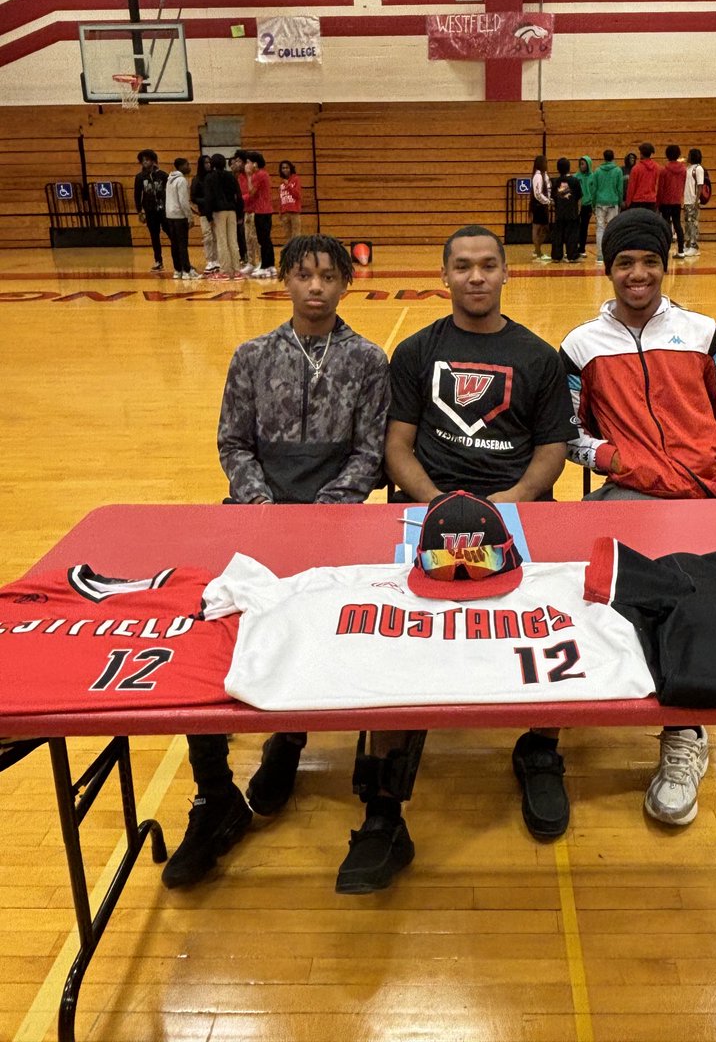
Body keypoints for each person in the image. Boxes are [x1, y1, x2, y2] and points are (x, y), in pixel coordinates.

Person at [334, 225, 578, 895]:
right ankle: (384, 811)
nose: (476, 277)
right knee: (397, 642)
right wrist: (442, 505)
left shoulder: (537, 356)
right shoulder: (416, 352)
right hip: (424, 510)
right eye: (463, 267)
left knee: (547, 624)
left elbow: (551, 449)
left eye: (488, 265)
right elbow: (398, 447)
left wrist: (508, 504)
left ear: (507, 273)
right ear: (445, 275)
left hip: (517, 512)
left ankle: (541, 749)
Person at [162, 233, 391, 890]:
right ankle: (214, 795)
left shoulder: (369, 361)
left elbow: (369, 454)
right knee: (211, 638)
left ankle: (289, 736)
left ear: (347, 283)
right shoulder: (252, 356)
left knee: (331, 629)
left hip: (336, 521)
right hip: (255, 516)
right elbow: (233, 441)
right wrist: (263, 504)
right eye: (302, 275)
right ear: (284, 281)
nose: (315, 287)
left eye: (327, 276)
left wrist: (324, 510)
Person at [559, 209, 716, 826]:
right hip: (635, 491)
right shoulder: (582, 345)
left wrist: (715, 452)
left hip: (707, 485)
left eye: (650, 261)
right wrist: (610, 459)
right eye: (625, 263)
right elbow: (567, 431)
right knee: (637, 586)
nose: (638, 274)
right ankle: (683, 730)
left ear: (666, 263)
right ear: (608, 270)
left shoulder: (704, 332)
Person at [203, 153, 243, 280]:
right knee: (233, 240)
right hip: (232, 210)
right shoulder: (230, 176)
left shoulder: (210, 177)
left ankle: (225, 271)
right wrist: (240, 213)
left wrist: (208, 216)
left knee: (221, 241)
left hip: (218, 212)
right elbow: (239, 195)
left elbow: (208, 198)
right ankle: (237, 271)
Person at [133, 149, 171, 272]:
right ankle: (158, 261)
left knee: (171, 233)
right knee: (154, 236)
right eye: (143, 160)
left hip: (164, 210)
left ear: (153, 161)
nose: (145, 162)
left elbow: (170, 192)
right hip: (150, 211)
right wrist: (140, 211)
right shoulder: (140, 177)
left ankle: (179, 258)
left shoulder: (163, 175)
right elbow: (137, 195)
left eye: (147, 160)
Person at [164, 158, 199, 280]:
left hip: (170, 216)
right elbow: (183, 201)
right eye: (187, 164)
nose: (189, 167)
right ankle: (187, 271)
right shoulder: (182, 180)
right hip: (179, 216)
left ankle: (177, 270)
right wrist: (190, 217)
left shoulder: (169, 180)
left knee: (174, 244)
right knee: (182, 244)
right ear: (181, 166)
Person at [245, 150, 277, 278]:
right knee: (266, 240)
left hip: (262, 211)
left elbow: (251, 192)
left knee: (263, 240)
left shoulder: (258, 175)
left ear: (255, 164)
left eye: (248, 162)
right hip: (266, 210)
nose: (246, 165)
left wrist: (248, 176)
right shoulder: (264, 174)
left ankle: (265, 266)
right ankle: (270, 266)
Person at [591, 149, 623, 262]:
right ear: (613, 157)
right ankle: (612, 253)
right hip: (613, 202)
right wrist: (620, 202)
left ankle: (600, 256)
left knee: (600, 228)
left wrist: (593, 203)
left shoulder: (597, 171)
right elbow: (620, 189)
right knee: (613, 229)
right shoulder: (618, 171)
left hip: (600, 202)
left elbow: (594, 189)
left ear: (603, 158)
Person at [657, 144, 687, 259]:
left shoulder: (664, 170)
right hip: (676, 201)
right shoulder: (683, 170)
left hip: (665, 201)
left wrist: (658, 202)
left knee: (665, 225)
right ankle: (681, 250)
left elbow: (661, 188)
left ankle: (665, 249)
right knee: (678, 224)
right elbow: (683, 185)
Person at [550, 157, 582, 263]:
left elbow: (553, 198)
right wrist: (578, 210)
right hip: (572, 212)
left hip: (560, 212)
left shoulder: (555, 181)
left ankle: (556, 256)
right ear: (569, 168)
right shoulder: (575, 181)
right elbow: (579, 197)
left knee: (558, 234)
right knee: (572, 234)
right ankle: (572, 256)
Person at [191, 154, 217, 275]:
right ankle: (210, 260)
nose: (208, 165)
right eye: (205, 163)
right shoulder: (196, 179)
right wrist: (206, 200)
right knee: (207, 236)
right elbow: (194, 197)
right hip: (204, 212)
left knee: (217, 236)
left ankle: (217, 259)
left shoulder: (214, 177)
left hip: (216, 211)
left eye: (209, 162)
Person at [683, 147, 705, 258]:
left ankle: (694, 246)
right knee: (687, 223)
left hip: (693, 200)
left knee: (693, 224)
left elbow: (700, 185)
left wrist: (696, 200)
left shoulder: (698, 169)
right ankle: (688, 244)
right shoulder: (688, 168)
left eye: (689, 154)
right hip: (686, 200)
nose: (687, 157)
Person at [530, 155, 552, 262]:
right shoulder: (538, 176)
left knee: (544, 229)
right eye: (546, 162)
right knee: (537, 229)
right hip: (539, 206)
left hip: (543, 206)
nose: (547, 164)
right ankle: (538, 253)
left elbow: (548, 188)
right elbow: (537, 193)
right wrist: (547, 201)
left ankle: (536, 249)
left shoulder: (544, 175)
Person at [229, 153, 250, 267]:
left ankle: (248, 257)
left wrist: (240, 198)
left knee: (245, 235)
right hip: (235, 208)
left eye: (237, 162)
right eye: (232, 163)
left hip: (246, 208)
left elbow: (247, 194)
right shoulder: (232, 177)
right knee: (238, 234)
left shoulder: (246, 176)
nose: (234, 165)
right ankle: (242, 256)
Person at [624, 143, 660, 210]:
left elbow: (631, 187)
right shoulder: (656, 167)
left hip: (637, 201)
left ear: (641, 153)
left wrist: (628, 203)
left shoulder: (636, 168)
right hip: (651, 201)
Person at [573, 155, 594, 255]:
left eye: (583, 164)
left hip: (587, 205)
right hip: (577, 205)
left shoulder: (593, 177)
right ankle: (573, 247)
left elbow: (594, 191)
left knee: (584, 227)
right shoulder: (575, 177)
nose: (581, 166)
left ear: (588, 165)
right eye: (580, 164)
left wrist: (593, 205)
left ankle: (582, 248)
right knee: (575, 226)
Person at [278, 160, 302, 243]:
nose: (285, 170)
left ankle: (297, 254)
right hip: (285, 212)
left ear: (291, 168)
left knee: (296, 236)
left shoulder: (296, 179)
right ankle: (289, 255)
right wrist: (280, 211)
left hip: (294, 212)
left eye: (287, 168)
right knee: (287, 237)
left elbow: (297, 195)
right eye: (283, 168)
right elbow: (281, 198)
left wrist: (288, 185)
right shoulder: (281, 184)